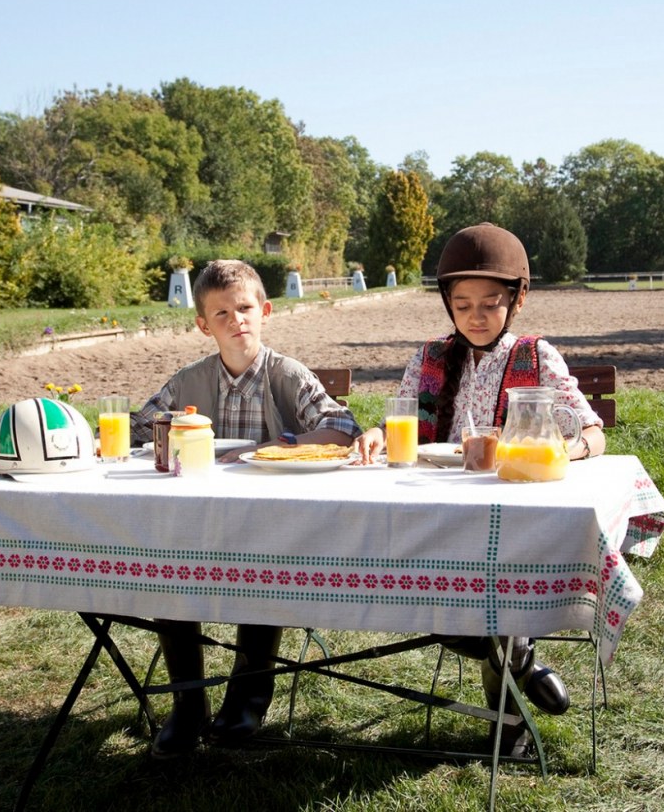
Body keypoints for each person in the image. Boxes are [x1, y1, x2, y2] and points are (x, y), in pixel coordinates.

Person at [355, 223, 606, 755]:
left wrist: (566, 450)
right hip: (433, 518)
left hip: (508, 520)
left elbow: (593, 433)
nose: (475, 316)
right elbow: (404, 425)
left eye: (490, 303)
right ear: (448, 304)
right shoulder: (429, 358)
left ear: (515, 301)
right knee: (409, 580)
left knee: (503, 583)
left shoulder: (536, 359)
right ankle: (522, 659)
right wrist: (377, 433)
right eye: (462, 303)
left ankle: (507, 719)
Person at [130, 259, 363, 759]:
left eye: (244, 308)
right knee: (170, 566)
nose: (236, 320)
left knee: (264, 565)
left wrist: (279, 444)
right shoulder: (191, 379)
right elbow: (140, 426)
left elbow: (343, 428)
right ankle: (186, 705)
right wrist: (177, 427)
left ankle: (246, 699)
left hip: (271, 519)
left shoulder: (286, 373)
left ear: (265, 311)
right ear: (202, 324)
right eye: (221, 313)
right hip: (196, 515)